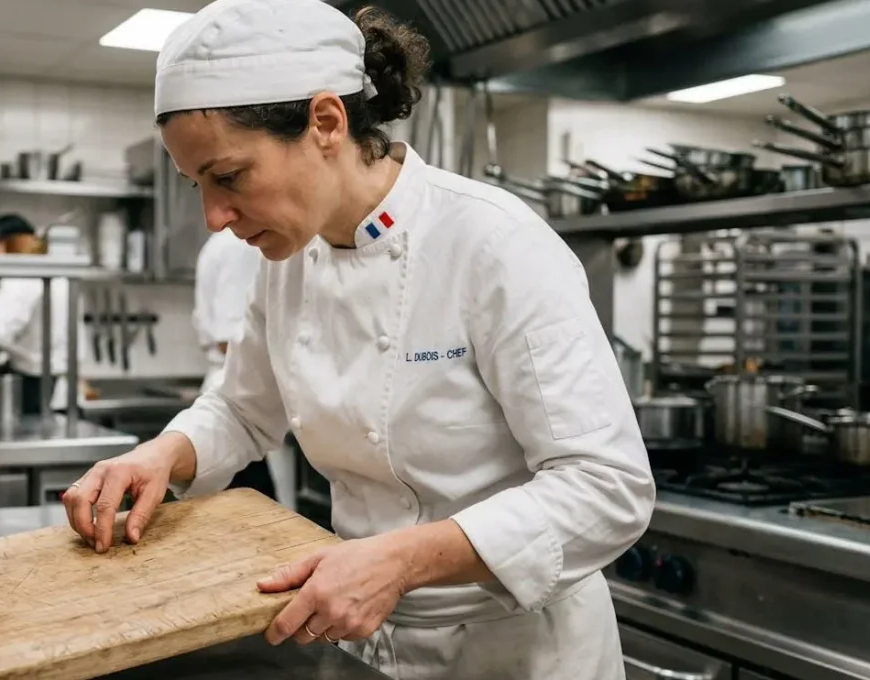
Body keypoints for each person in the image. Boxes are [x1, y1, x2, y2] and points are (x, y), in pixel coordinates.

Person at [61, 2, 655, 679]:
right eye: (197, 184)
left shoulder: (494, 243)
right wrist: (164, 453)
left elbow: (607, 487)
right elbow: (241, 409)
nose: (215, 217)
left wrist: (401, 560)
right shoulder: (287, 263)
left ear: (325, 123)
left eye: (228, 177)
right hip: (359, 638)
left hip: (515, 649)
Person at [0, 214, 81, 414]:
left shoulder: (21, 276)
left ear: (2, 244)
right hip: (66, 393)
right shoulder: (58, 273)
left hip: (35, 392)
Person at [192, 227, 278, 501]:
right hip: (238, 397)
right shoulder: (240, 246)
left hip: (239, 397)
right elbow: (229, 340)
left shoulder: (223, 244)